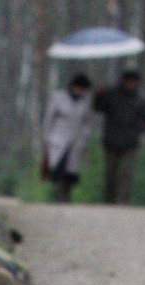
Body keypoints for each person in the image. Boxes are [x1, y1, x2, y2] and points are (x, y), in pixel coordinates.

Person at [94, 70, 145, 205]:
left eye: (134, 81)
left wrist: (137, 131)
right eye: (129, 81)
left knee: (127, 173)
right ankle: (108, 201)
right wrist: (98, 95)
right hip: (111, 141)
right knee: (110, 174)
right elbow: (98, 107)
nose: (131, 84)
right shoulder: (111, 94)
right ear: (124, 81)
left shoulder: (140, 100)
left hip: (130, 142)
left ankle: (123, 202)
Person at [42, 73, 94, 203]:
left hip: (76, 140)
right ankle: (59, 196)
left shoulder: (85, 101)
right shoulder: (58, 97)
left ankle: (66, 195)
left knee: (71, 172)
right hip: (58, 138)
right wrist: (47, 137)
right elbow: (49, 118)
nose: (81, 91)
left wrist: (85, 137)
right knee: (58, 168)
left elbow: (87, 122)